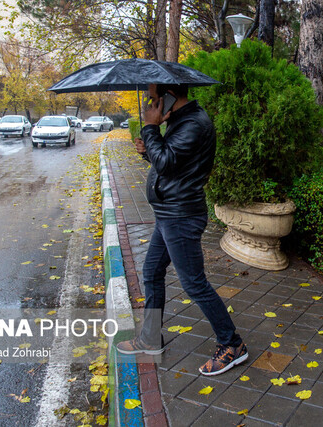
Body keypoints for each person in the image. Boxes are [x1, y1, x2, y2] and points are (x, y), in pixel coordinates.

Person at [116, 83, 248, 376]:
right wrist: (147, 150)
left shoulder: (194, 123)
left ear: (169, 96)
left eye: (153, 98)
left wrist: (150, 130)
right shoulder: (181, 121)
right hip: (168, 215)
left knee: (193, 283)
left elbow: (167, 162)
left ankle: (233, 344)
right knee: (151, 272)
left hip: (181, 217)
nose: (150, 104)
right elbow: (173, 166)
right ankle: (150, 339)